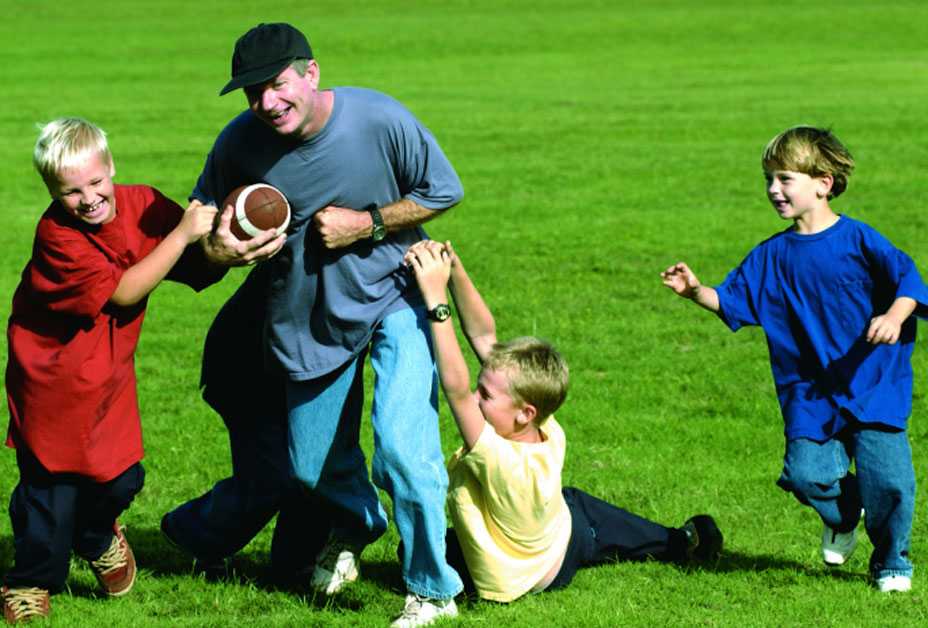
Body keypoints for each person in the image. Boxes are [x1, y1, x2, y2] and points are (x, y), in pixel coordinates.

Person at [159, 22, 464, 625]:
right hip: (305, 321)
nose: (267, 103)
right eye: (253, 94)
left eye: (277, 85)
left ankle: (433, 590)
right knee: (309, 464)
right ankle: (359, 520)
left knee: (404, 450)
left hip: (395, 298)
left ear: (311, 73)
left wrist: (369, 223)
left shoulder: (378, 120)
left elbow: (443, 190)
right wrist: (222, 251)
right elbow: (202, 234)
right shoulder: (239, 145)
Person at [660, 126, 928, 593]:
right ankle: (844, 516)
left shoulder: (860, 240)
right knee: (806, 475)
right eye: (768, 179)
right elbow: (733, 301)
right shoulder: (771, 256)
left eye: (785, 179)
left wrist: (893, 314)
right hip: (809, 392)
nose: (773, 190)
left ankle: (891, 563)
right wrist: (696, 292)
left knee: (889, 483)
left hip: (872, 382)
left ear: (823, 183)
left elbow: (909, 279)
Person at [405, 239, 723, 604]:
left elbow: (457, 390)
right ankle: (681, 541)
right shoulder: (546, 425)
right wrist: (456, 270)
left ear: (525, 413)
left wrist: (436, 301)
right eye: (481, 391)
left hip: (524, 573)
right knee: (582, 509)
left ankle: (678, 543)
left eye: (486, 395)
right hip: (564, 533)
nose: (477, 399)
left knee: (421, 553)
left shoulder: (499, 459)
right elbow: (483, 336)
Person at [1, 118, 220, 623]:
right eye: (71, 191)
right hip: (52, 383)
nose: (89, 198)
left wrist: (231, 246)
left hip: (107, 375)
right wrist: (185, 231)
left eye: (96, 183)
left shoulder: (142, 203)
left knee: (121, 477)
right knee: (48, 495)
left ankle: (97, 534)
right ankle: (30, 581)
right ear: (53, 193)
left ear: (111, 168)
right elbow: (125, 289)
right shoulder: (58, 236)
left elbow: (193, 262)